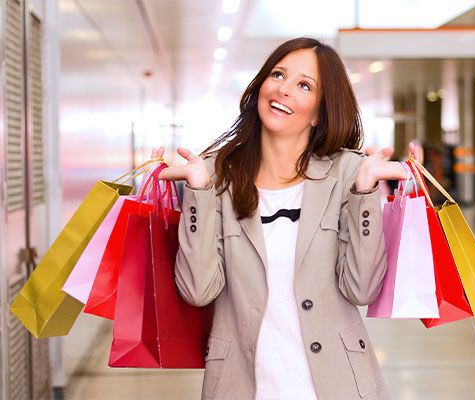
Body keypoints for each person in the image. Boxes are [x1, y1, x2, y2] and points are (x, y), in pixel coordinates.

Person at [153, 37, 415, 400]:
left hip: (338, 386)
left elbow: (362, 289)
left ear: (320, 112)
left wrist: (365, 193)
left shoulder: (349, 174)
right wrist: (197, 192)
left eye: (304, 85)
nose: (283, 89)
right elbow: (198, 291)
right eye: (278, 74)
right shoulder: (217, 175)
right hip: (240, 385)